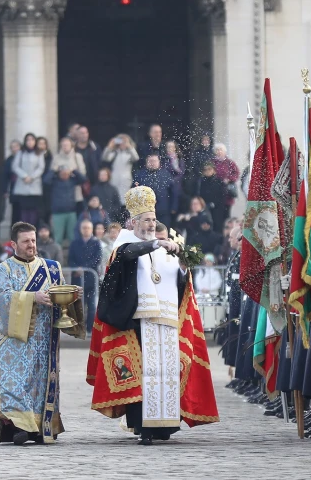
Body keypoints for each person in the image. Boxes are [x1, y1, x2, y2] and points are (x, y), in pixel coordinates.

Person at [87, 186, 219, 444]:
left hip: (165, 320)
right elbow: (127, 256)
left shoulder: (163, 248)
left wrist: (181, 264)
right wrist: (156, 243)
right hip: (136, 321)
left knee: (165, 372)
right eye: (146, 220)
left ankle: (165, 425)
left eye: (153, 220)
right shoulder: (125, 243)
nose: (151, 224)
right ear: (135, 222)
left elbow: (180, 282)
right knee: (143, 375)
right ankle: (143, 426)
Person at [0, 222, 85, 445]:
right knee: (14, 383)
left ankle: (41, 428)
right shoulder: (4, 269)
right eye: (26, 241)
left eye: (33, 240)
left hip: (44, 337)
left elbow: (60, 298)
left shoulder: (51, 268)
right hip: (15, 340)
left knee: (40, 384)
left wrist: (72, 295)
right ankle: (20, 427)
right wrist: (32, 297)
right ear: (13, 245)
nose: (31, 245)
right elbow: (0, 299)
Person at [47, 137, 86, 238]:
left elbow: (83, 176)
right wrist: (55, 170)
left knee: (72, 231)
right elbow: (48, 178)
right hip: (59, 193)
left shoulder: (77, 156)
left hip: (75, 191)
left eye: (67, 145)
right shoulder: (56, 157)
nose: (65, 147)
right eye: (63, 145)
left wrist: (73, 170)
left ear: (71, 146)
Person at [68, 219, 102, 332]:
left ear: (92, 229)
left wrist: (84, 268)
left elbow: (97, 259)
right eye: (84, 228)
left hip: (91, 279)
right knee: (77, 306)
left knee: (92, 306)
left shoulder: (96, 243)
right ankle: (78, 329)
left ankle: (89, 330)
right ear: (80, 229)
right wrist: (77, 268)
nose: (86, 230)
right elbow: (70, 258)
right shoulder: (74, 243)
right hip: (77, 279)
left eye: (88, 228)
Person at [135, 152, 177, 228]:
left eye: (154, 161)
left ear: (159, 162)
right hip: (145, 211)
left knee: (163, 231)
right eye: (150, 161)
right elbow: (134, 192)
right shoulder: (140, 175)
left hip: (163, 211)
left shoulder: (166, 174)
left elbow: (173, 192)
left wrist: (173, 207)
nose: (152, 163)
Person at [11, 133, 46, 226]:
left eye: (32, 140)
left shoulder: (39, 153)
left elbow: (41, 168)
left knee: (34, 210)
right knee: (24, 210)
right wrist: (24, 176)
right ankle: (24, 229)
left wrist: (32, 177)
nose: (30, 142)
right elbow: (15, 166)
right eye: (28, 140)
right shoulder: (20, 153)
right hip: (22, 185)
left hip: (35, 186)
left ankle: (32, 230)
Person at [101, 134, 139, 214]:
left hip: (126, 180)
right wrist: (110, 146)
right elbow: (105, 158)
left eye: (124, 142)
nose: (122, 144)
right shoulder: (115, 153)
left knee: (125, 200)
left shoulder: (130, 153)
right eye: (120, 141)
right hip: (114, 179)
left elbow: (136, 158)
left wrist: (129, 146)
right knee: (114, 198)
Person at [196, 161, 228, 232]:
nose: (207, 171)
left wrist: (215, 203)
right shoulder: (201, 181)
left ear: (214, 170)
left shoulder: (219, 181)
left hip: (217, 209)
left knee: (217, 227)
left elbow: (223, 195)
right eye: (205, 170)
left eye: (209, 169)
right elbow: (199, 194)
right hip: (205, 207)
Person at [212, 143, 239, 216]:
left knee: (226, 215)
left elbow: (236, 173)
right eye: (217, 150)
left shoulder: (229, 162)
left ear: (224, 151)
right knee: (216, 215)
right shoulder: (212, 162)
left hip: (227, 192)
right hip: (216, 191)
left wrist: (229, 179)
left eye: (221, 150)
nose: (219, 151)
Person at [3, 139, 22, 226]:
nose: (14, 149)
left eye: (16, 146)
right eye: (12, 147)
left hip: (26, 187)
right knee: (15, 213)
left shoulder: (24, 158)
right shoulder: (9, 160)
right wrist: (5, 190)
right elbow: (5, 176)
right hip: (14, 187)